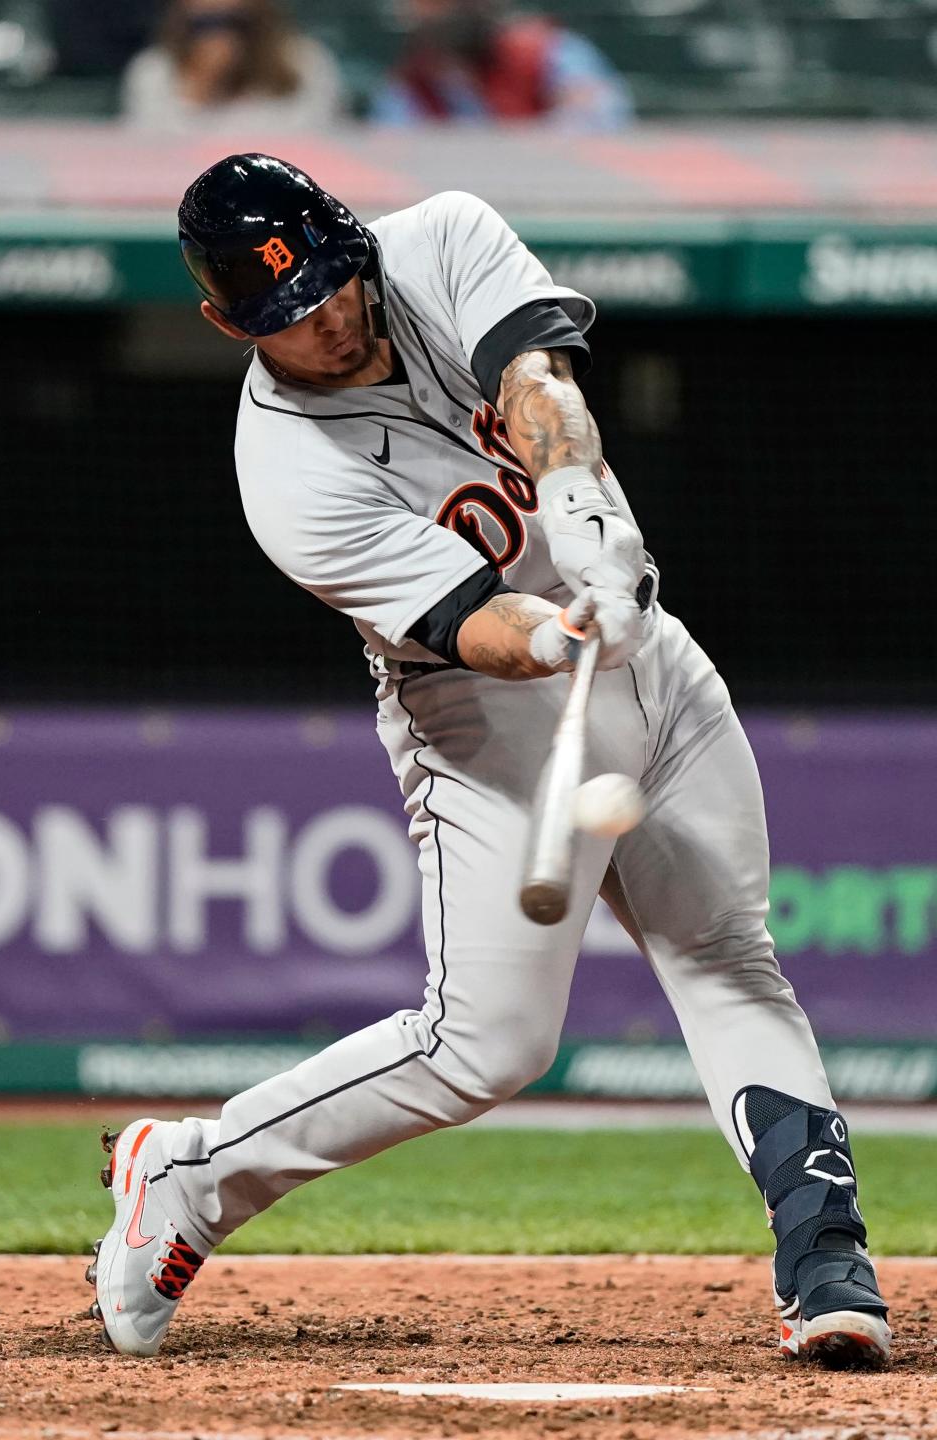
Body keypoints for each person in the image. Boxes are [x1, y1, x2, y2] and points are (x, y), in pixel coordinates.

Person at [85, 153, 891, 1370]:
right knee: (488, 1045)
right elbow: (475, 629)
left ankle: (827, 1258)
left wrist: (580, 512)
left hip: (654, 657)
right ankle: (190, 1175)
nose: (329, 320)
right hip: (482, 714)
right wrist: (557, 626)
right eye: (286, 318)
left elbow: (535, 379)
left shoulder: (442, 236)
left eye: (332, 286)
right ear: (225, 324)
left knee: (729, 956)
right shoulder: (285, 473)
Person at [372, 0, 632, 129]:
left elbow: (602, 120)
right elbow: (392, 145)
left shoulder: (548, 51)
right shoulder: (412, 82)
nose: (451, 13)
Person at [121, 0, 344, 132]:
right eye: (206, 24)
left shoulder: (306, 62)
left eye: (233, 22)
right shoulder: (153, 70)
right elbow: (149, 155)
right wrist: (199, 90)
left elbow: (315, 139)